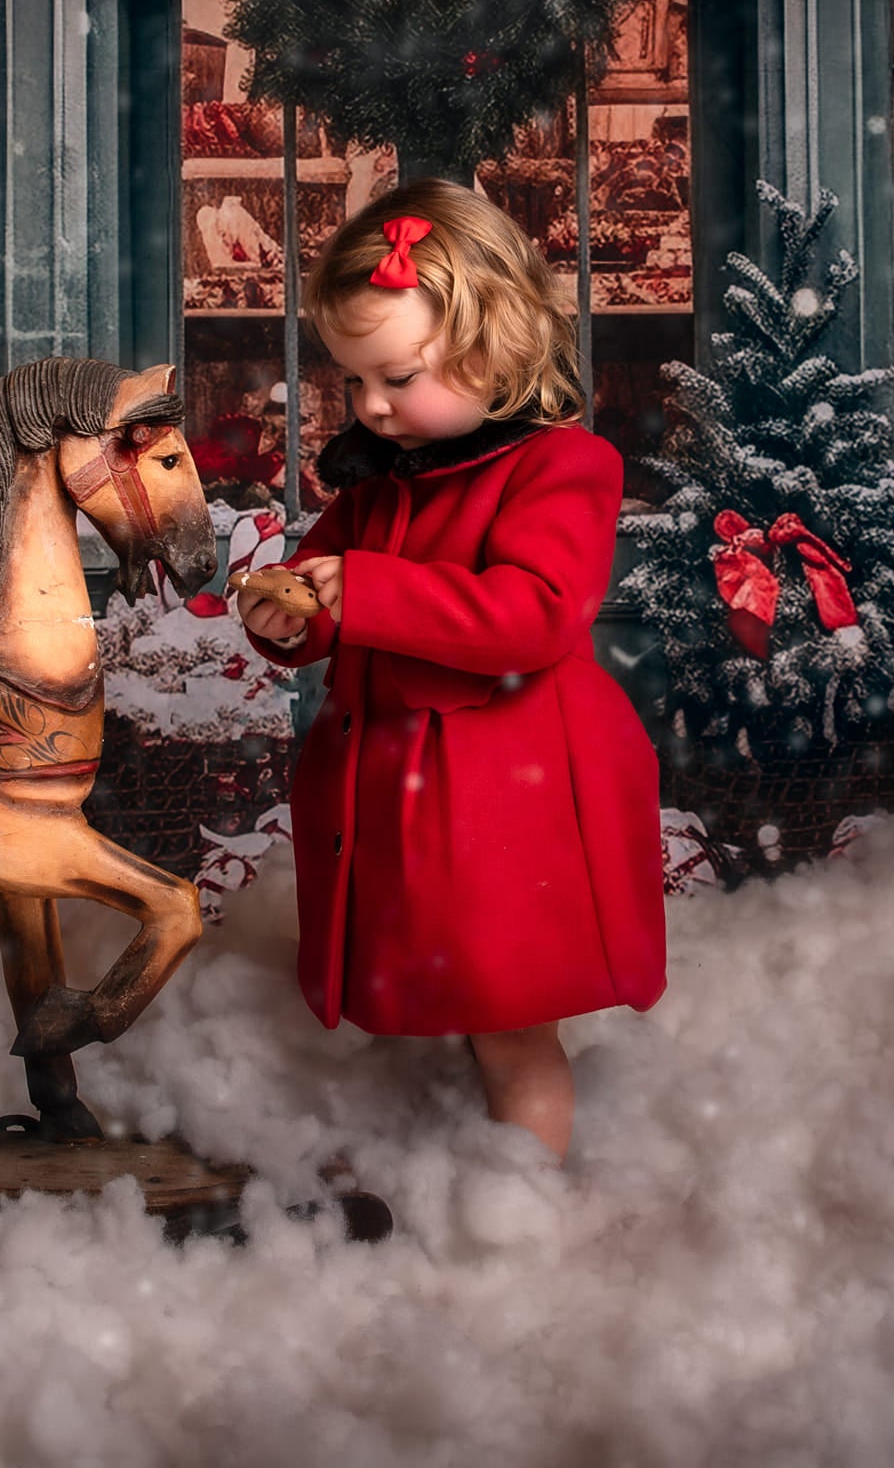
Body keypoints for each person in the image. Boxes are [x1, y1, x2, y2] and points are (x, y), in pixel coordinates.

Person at [236, 179, 666, 1162]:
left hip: (505, 796)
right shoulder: (380, 481)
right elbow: (330, 600)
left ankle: (527, 1196)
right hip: (408, 790)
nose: (371, 406)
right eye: (352, 383)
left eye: (395, 376)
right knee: (448, 986)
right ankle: (450, 1157)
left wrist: (365, 590)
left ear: (491, 349)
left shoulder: (559, 467)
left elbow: (534, 612)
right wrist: (288, 618)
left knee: (509, 1016)